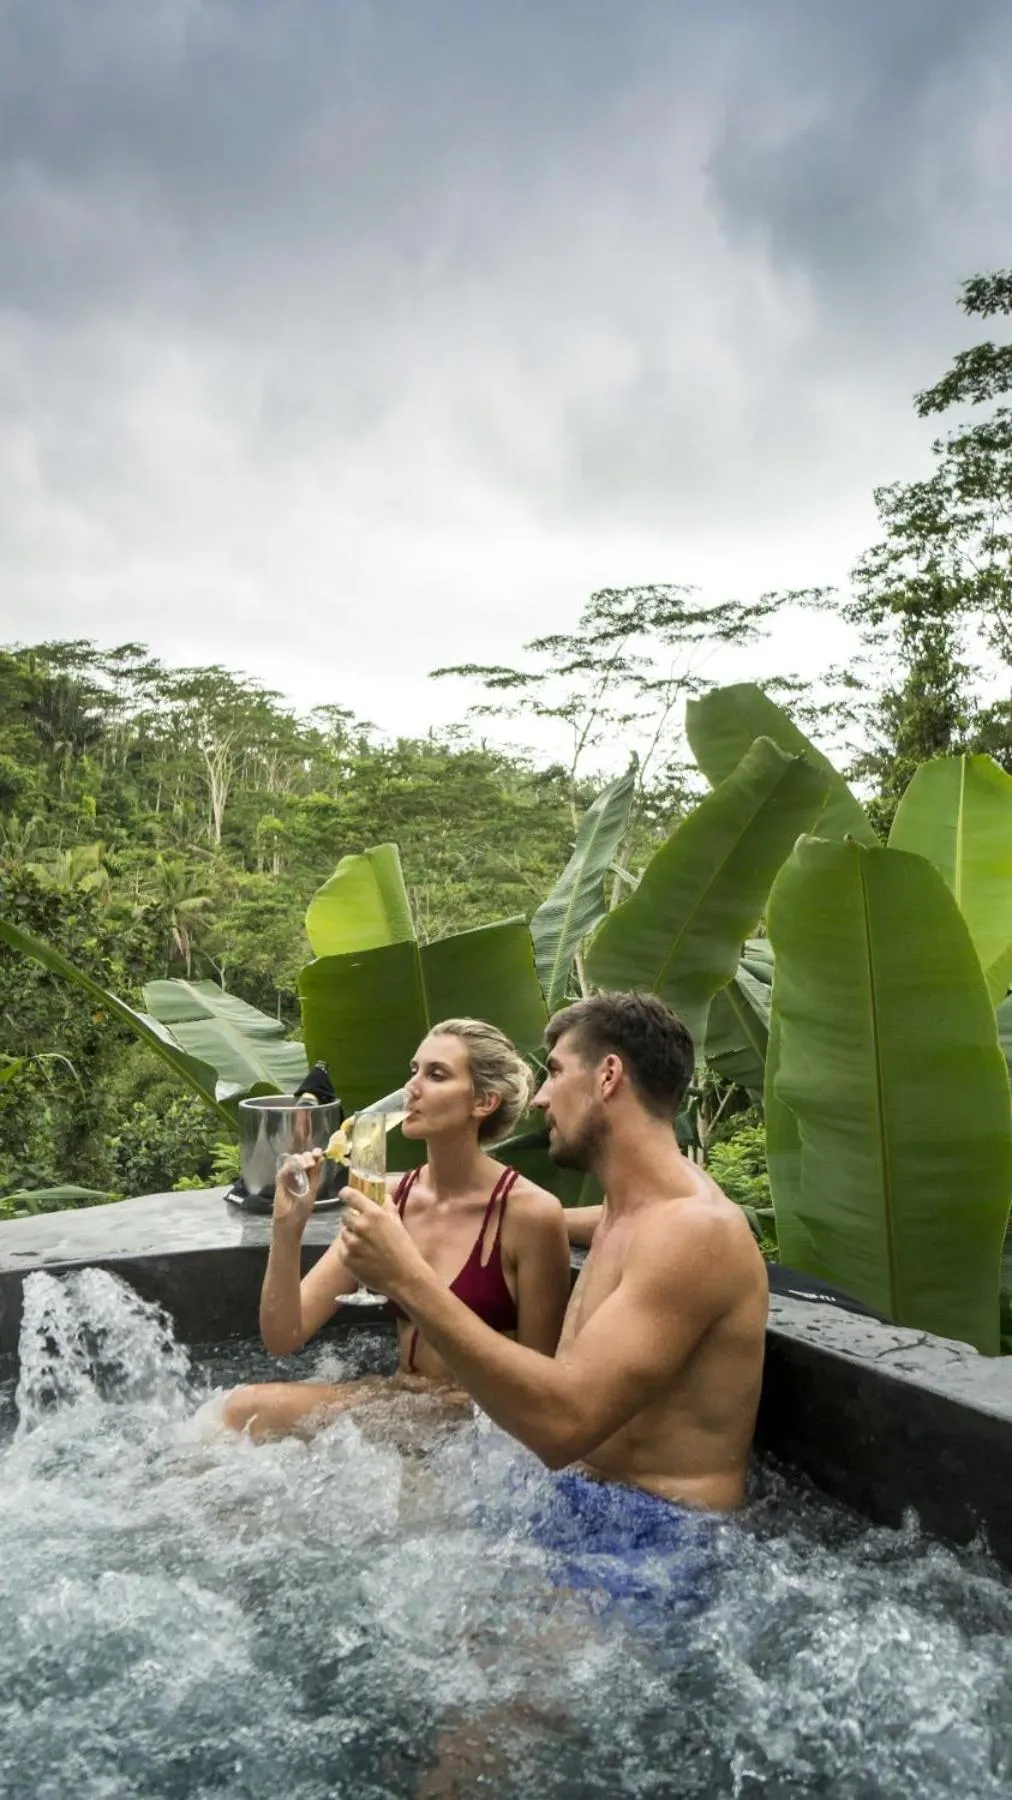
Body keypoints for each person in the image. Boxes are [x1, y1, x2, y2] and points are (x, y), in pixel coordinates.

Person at [337, 992, 768, 1534]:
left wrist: (405, 1276)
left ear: (607, 1076)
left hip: (659, 1528)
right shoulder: (629, 1208)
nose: (540, 1098)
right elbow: (577, 1221)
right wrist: (496, 1217)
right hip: (570, 1492)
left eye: (556, 1072)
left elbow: (564, 1426)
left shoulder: (695, 1233)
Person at [221, 1019, 571, 1440]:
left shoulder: (529, 1215)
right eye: (413, 1071)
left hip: (471, 1426)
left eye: (436, 1074)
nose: (412, 1088)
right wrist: (287, 1228)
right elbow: (283, 1336)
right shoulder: (386, 1197)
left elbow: (541, 1395)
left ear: (484, 1102)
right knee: (232, 1411)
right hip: (395, 1399)